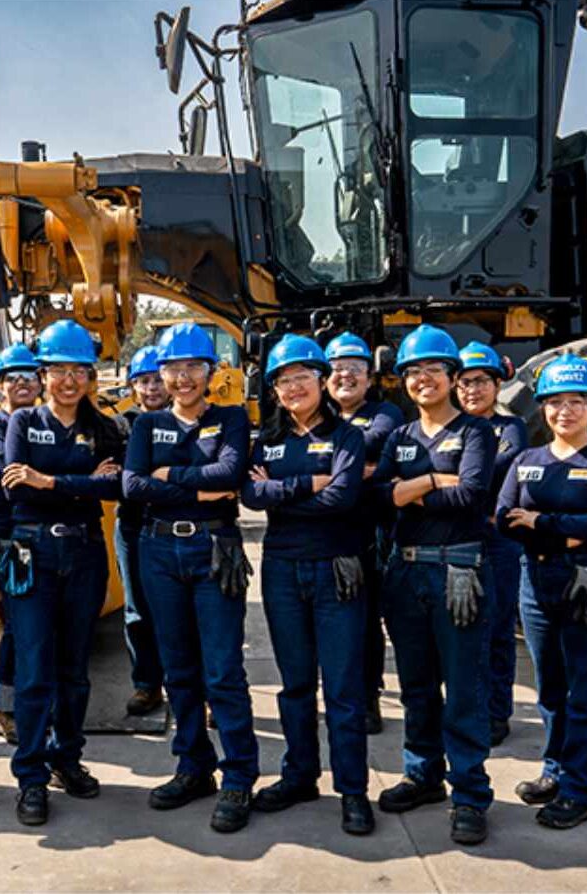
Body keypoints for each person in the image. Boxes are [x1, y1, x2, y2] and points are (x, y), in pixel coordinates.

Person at [122, 320, 258, 834]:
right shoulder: (145, 425)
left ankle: (240, 774)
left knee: (222, 670)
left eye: (192, 368)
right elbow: (133, 487)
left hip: (214, 550)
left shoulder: (230, 419)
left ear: (211, 372)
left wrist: (169, 476)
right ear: (161, 372)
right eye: (173, 369)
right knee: (178, 669)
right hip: (158, 551)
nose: (182, 379)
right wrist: (196, 489)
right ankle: (193, 765)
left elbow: (230, 477)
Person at [242, 334, 373, 836]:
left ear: (322, 380)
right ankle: (300, 775)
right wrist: (307, 485)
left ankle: (353, 790)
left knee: (342, 688)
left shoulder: (348, 437)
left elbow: (342, 498)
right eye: (284, 380)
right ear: (274, 389)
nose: (293, 386)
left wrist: (281, 494)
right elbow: (252, 496)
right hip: (281, 572)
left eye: (302, 377)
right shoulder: (269, 440)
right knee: (295, 684)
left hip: (335, 570)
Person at [372, 324, 498, 846]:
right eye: (413, 371)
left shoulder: (475, 433)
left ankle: (469, 792)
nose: (423, 379)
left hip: (457, 571)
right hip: (404, 571)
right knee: (416, 684)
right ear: (402, 381)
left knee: (463, 688)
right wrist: (428, 482)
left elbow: (471, 496)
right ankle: (422, 774)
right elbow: (379, 498)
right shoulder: (400, 437)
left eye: (433, 369)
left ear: (451, 376)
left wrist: (409, 492)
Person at [496, 353, 587, 830]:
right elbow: (504, 520)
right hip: (536, 584)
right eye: (554, 402)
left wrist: (543, 523)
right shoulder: (525, 460)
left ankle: (580, 791)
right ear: (542, 408)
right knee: (551, 688)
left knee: (586, 693)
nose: (564, 412)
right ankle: (555, 772)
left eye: (576, 401)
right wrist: (568, 531)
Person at [1, 320, 125, 827]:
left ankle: (65, 757)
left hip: (84, 555)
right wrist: (80, 484)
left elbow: (114, 489)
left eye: (78, 371)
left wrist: (48, 479)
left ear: (90, 375)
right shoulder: (23, 423)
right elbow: (15, 489)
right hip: (33, 555)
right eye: (57, 371)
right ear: (43, 373)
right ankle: (30, 775)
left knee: (74, 670)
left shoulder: (104, 428)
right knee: (34, 671)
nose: (68, 381)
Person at [323, 331, 404, 735]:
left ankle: (368, 696)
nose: (345, 377)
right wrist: (358, 468)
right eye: (337, 370)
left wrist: (323, 462)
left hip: (369, 535)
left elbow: (381, 444)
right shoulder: (313, 416)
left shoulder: (385, 413)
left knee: (367, 620)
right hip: (322, 533)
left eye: (355, 369)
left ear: (369, 378)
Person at [456, 341, 528, 747]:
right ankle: (470, 708)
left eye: (481, 381)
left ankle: (497, 713)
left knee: (497, 629)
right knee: (465, 632)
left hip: (497, 540)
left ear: (497, 384)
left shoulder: (510, 428)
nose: (472, 390)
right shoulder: (452, 427)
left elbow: (494, 471)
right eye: (464, 383)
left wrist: (452, 475)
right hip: (461, 538)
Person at [0, 342, 42, 745]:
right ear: (0, 386)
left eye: (28, 377)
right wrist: (59, 475)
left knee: (42, 623)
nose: (21, 384)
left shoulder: (48, 419)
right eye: (12, 378)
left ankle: (36, 700)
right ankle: (6, 705)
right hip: (8, 535)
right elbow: (9, 474)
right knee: (19, 622)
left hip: (43, 531)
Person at [115, 345, 169, 716]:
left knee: (186, 611)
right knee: (137, 610)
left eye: (156, 380)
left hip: (172, 527)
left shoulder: (187, 418)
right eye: (143, 381)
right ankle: (147, 684)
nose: (151, 388)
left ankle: (202, 689)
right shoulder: (122, 424)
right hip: (134, 525)